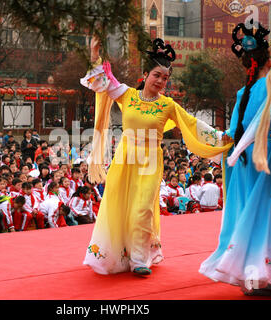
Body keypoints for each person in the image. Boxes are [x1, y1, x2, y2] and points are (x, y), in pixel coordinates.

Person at [81, 36, 231, 276]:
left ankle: (139, 259)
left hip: (151, 161)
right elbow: (101, 82)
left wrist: (223, 137)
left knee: (143, 208)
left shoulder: (168, 105)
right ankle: (116, 254)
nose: (161, 81)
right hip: (125, 157)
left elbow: (192, 125)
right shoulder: (127, 95)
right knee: (119, 204)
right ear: (145, 75)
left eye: (165, 78)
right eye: (157, 75)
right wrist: (94, 54)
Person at [199, 25, 271, 295]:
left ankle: (256, 276)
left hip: (245, 162)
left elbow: (232, 132)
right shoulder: (270, 85)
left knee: (254, 216)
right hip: (267, 158)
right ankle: (263, 273)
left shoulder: (244, 93)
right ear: (267, 61)